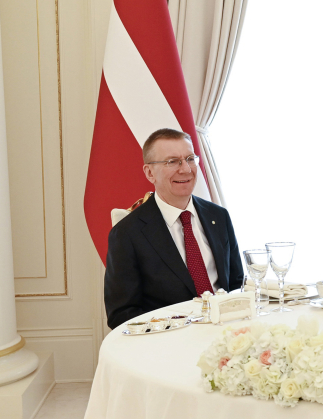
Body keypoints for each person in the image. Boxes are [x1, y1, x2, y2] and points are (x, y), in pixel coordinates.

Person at [104, 128, 244, 328]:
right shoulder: (127, 234)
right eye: (172, 161)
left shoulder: (218, 216)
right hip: (168, 345)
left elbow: (236, 285)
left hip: (226, 334)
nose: (185, 169)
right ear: (149, 172)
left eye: (189, 158)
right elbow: (121, 314)